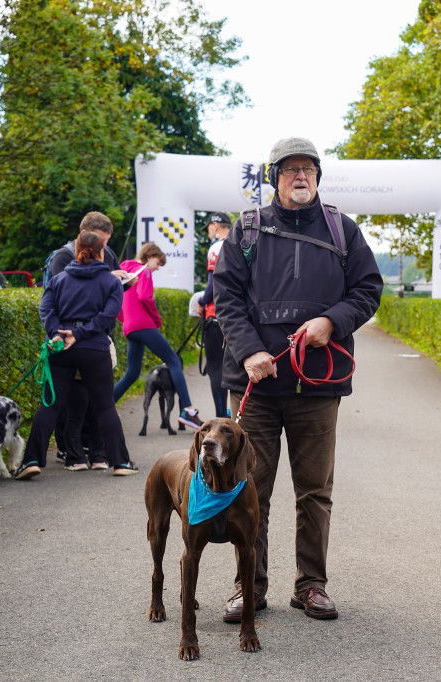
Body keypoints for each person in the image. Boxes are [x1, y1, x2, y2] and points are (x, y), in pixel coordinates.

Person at [213, 137, 382, 623]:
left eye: (308, 168)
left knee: (314, 492)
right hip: (257, 386)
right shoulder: (247, 229)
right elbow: (226, 297)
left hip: (318, 387)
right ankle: (248, 586)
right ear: (274, 178)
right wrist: (250, 351)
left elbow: (368, 290)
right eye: (290, 170)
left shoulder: (343, 230)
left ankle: (311, 586)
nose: (301, 176)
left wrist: (332, 321)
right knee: (248, 489)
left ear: (318, 176)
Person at [14, 230, 138, 479]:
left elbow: (46, 309)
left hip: (61, 348)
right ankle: (120, 462)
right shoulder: (111, 282)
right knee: (105, 407)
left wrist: (58, 334)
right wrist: (80, 333)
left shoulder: (59, 280)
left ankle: (31, 460)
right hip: (94, 348)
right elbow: (107, 316)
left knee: (50, 406)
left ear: (76, 250)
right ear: (101, 252)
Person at [48, 211, 130, 470]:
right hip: (74, 340)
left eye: (106, 241)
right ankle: (71, 451)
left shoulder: (108, 253)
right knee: (73, 401)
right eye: (102, 241)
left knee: (98, 402)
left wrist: (122, 282)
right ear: (85, 235)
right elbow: (65, 295)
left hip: (98, 338)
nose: (104, 247)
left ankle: (97, 453)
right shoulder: (63, 257)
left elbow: (107, 294)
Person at [112, 242, 202, 429]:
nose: (158, 268)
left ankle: (102, 408)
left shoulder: (124, 270)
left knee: (132, 373)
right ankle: (188, 410)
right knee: (173, 360)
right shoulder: (144, 271)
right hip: (144, 324)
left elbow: (118, 302)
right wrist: (156, 319)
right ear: (150, 256)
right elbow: (145, 297)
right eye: (158, 263)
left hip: (130, 327)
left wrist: (126, 321)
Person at [196, 211, 232, 417]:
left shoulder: (217, 247)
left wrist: (202, 302)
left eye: (209, 228)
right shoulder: (243, 243)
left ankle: (221, 417)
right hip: (240, 317)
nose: (208, 232)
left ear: (215, 225)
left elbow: (212, 285)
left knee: (216, 368)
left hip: (217, 316)